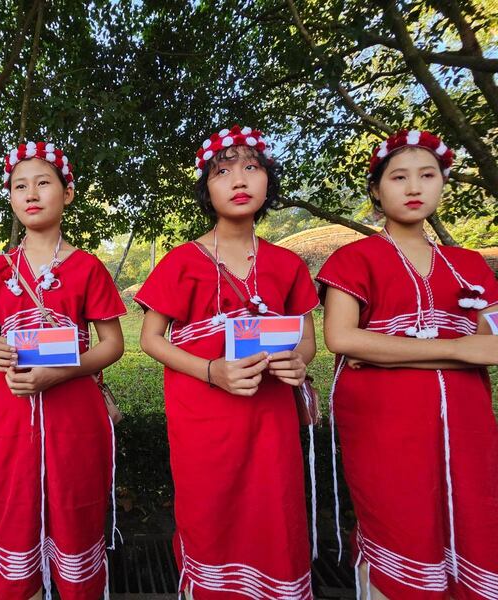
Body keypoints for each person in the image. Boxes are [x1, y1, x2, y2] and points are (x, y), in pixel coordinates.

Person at [136, 126, 318, 599]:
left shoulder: (287, 265)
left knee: (275, 517)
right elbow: (150, 339)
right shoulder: (181, 261)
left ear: (267, 180)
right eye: (223, 171)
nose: (239, 180)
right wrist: (211, 371)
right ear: (206, 188)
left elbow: (306, 340)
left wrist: (297, 365)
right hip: (203, 422)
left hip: (271, 422)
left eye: (251, 168)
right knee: (210, 519)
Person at [318, 129, 498, 599]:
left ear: (443, 183)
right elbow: (341, 338)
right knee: (399, 519)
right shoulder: (353, 259)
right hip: (383, 426)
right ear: (377, 190)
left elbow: (493, 347)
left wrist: (382, 353)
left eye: (427, 176)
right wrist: (458, 349)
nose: (414, 188)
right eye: (399, 177)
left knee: (475, 517)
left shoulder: (470, 265)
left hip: (468, 423)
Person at [0, 141, 125, 600]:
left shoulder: (87, 268)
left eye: (44, 183)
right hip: (10, 411)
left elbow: (113, 346)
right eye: (20, 186)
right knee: (13, 509)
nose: (31, 194)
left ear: (68, 193)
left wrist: (62, 373)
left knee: (74, 510)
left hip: (74, 414)